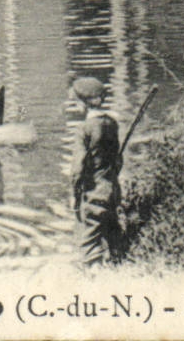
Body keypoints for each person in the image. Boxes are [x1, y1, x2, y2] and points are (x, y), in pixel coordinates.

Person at [69, 77, 123, 266]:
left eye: (75, 102)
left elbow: (78, 169)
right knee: (113, 240)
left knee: (88, 247)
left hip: (95, 194)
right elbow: (118, 160)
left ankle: (89, 282)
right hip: (113, 190)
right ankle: (119, 271)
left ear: (83, 104)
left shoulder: (84, 129)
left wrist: (76, 197)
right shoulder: (112, 124)